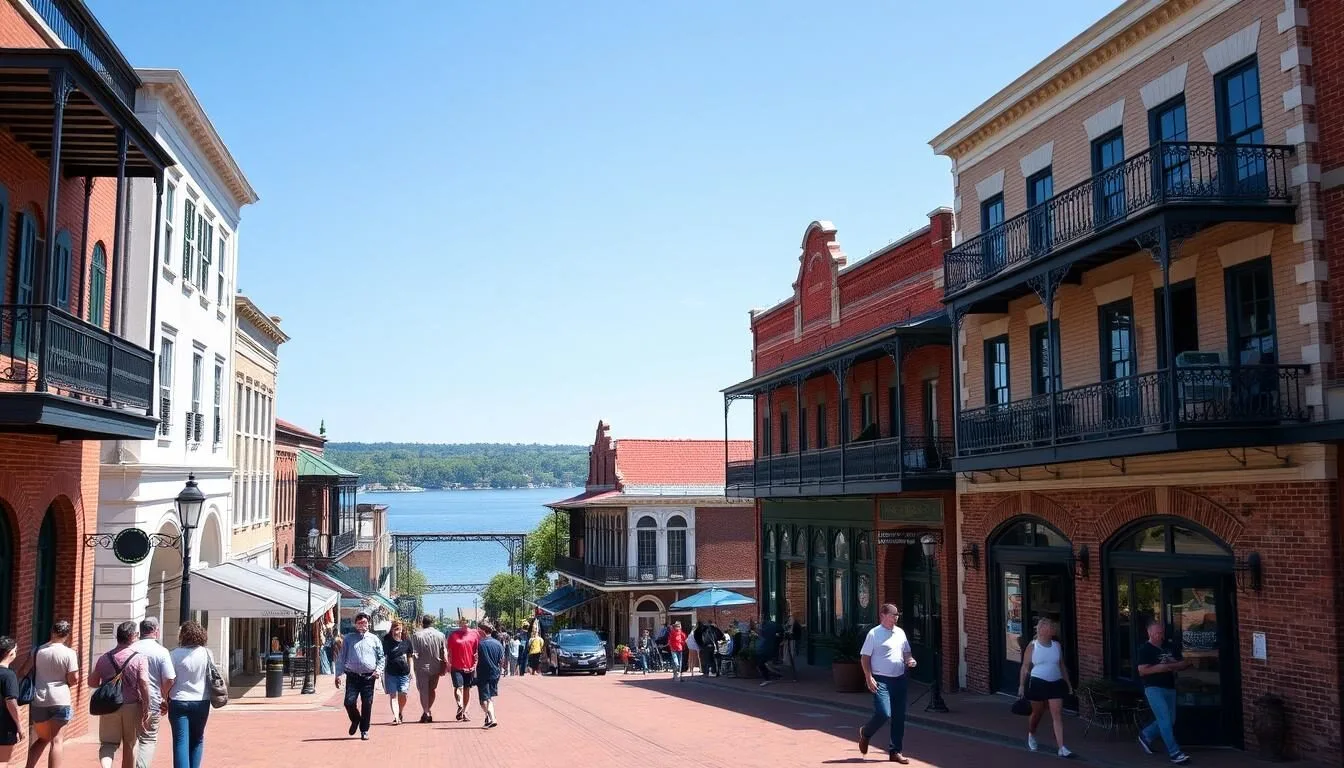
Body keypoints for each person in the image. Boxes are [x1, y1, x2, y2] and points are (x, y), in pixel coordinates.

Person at [857, 603, 917, 765]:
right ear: (882, 615)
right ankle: (866, 732)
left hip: (899, 678)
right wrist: (869, 677)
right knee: (884, 713)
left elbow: (906, 651)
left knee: (899, 717)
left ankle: (895, 751)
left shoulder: (900, 633)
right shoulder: (874, 634)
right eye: (892, 615)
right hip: (881, 680)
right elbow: (865, 658)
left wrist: (909, 659)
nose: (895, 618)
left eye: (897, 615)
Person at [90, 621, 151, 768]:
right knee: (130, 744)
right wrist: (146, 707)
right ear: (132, 636)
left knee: (108, 744)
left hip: (109, 705)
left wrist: (108, 686)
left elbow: (92, 682)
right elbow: (143, 682)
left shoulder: (104, 658)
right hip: (132, 705)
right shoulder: (139, 658)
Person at [25, 620, 79, 768]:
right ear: (67, 635)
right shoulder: (70, 653)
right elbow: (73, 679)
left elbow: (24, 671)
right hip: (60, 698)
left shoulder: (37, 651)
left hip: (39, 699)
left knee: (42, 738)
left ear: (52, 632)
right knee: (57, 741)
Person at [1137, 620, 1192, 765]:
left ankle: (1146, 734)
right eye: (1156, 633)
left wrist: (1170, 664)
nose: (1159, 636)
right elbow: (1142, 671)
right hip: (1153, 688)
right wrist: (1161, 667)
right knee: (1164, 720)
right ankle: (1175, 753)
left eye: (1161, 633)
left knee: (1170, 719)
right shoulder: (1145, 649)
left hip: (1169, 687)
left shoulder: (1169, 646)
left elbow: (1183, 664)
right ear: (1149, 633)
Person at [1018, 618, 1074, 758]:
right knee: (1037, 712)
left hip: (1055, 682)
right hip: (1038, 681)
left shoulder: (1056, 646)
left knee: (1057, 714)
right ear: (1042, 630)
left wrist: (1068, 683)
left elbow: (1061, 665)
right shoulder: (1033, 646)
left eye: (1053, 627)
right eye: (1050, 627)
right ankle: (1031, 733)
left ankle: (1061, 747)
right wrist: (1022, 685)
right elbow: (1025, 667)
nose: (1053, 629)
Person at [131, 617, 175, 768]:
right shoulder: (161, 651)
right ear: (156, 631)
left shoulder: (130, 648)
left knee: (130, 738)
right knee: (148, 739)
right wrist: (164, 695)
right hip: (152, 700)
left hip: (129, 700)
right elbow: (169, 678)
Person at [167, 621, 212, 768]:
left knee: (180, 740)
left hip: (179, 700)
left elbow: (169, 679)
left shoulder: (173, 654)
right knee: (197, 739)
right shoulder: (207, 653)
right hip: (201, 700)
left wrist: (164, 695)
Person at [334, 613, 385, 741]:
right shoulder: (349, 639)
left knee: (367, 703)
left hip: (369, 677)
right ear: (355, 624)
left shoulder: (374, 639)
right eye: (360, 623)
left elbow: (381, 658)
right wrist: (338, 674)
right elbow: (341, 658)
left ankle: (364, 730)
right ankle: (356, 719)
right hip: (353, 676)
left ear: (369, 624)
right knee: (349, 702)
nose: (363, 625)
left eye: (365, 622)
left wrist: (378, 670)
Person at [409, 616, 446, 723]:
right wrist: (444, 667)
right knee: (432, 689)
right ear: (432, 623)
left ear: (422, 623)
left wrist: (412, 668)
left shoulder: (416, 636)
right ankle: (427, 710)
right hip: (436, 666)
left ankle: (426, 711)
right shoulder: (441, 635)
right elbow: (444, 652)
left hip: (422, 667)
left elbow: (414, 653)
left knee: (423, 691)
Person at [446, 618, 480, 721]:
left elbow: (477, 650)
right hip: (456, 666)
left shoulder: (474, 634)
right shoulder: (453, 635)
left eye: (466, 621)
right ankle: (460, 705)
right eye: (462, 621)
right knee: (458, 687)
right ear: (459, 623)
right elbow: (448, 650)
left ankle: (465, 712)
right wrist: (447, 663)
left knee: (467, 689)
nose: (464, 624)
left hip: (469, 666)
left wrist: (476, 663)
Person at [381, 621, 415, 725]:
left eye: (399, 628)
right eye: (395, 628)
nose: (397, 630)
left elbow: (410, 656)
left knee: (403, 694)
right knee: (393, 696)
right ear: (391, 629)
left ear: (402, 629)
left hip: (404, 672)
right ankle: (396, 717)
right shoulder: (387, 642)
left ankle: (400, 712)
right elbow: (382, 657)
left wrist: (412, 670)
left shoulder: (406, 641)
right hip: (391, 673)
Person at [474, 621, 504, 728]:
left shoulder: (481, 644)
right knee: (489, 697)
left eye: (479, 630)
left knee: (484, 700)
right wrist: (500, 672)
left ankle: (492, 718)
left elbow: (478, 659)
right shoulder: (498, 644)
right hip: (495, 674)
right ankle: (489, 717)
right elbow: (502, 661)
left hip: (484, 674)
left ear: (482, 631)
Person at [0, 637, 23, 766]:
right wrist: (19, 726)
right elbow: (11, 701)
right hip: (4, 725)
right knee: (2, 761)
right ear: (10, 653)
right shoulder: (9, 675)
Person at [755, 617, 782, 685]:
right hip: (765, 649)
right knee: (764, 663)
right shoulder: (769, 627)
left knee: (762, 663)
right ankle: (775, 675)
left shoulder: (766, 628)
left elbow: (762, 634)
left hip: (765, 649)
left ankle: (768, 678)